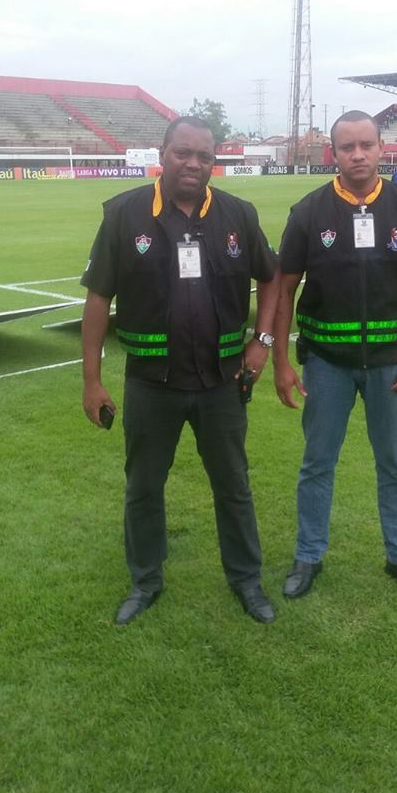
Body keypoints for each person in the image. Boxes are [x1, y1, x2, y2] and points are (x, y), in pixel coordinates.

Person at [81, 116, 279, 626]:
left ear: (214, 161)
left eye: (204, 156)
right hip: (152, 384)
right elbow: (98, 298)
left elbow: (272, 278)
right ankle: (146, 580)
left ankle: (246, 580)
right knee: (144, 487)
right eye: (183, 153)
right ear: (163, 154)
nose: (193, 164)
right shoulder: (124, 214)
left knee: (233, 485)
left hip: (222, 382)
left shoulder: (238, 214)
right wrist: (92, 381)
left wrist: (263, 342)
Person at [273, 110, 397, 604]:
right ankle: (308, 556)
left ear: (380, 148)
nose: (357, 154)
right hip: (326, 364)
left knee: (395, 465)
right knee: (317, 463)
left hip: (394, 366)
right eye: (347, 147)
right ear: (333, 153)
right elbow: (283, 290)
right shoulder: (309, 212)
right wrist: (281, 362)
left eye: (366, 145)